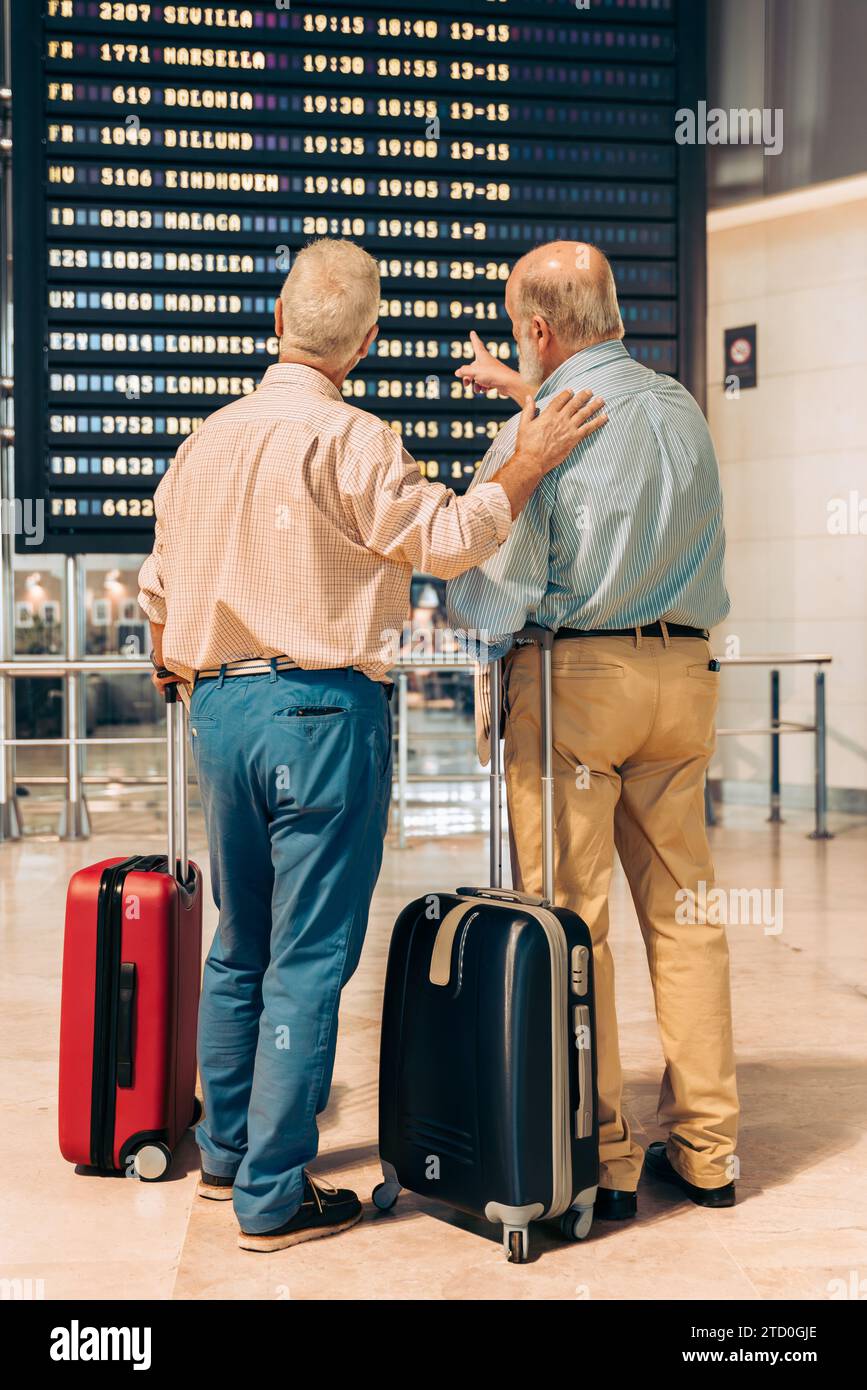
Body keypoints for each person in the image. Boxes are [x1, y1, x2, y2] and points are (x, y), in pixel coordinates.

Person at [137, 237, 608, 1252]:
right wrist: (520, 467)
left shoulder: (204, 442)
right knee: (309, 957)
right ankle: (272, 1193)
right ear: (367, 341)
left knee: (241, 942)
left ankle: (225, 1157)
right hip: (321, 712)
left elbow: (157, 595)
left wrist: (191, 662)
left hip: (219, 709)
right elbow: (446, 540)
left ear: (276, 324)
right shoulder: (355, 439)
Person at [447, 240, 738, 1219]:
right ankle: (707, 1150)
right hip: (683, 674)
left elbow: (493, 598)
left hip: (576, 685)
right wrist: (519, 393)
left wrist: (504, 464)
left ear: (536, 330)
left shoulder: (542, 432)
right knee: (687, 918)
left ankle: (602, 1156)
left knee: (576, 922)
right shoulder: (683, 406)